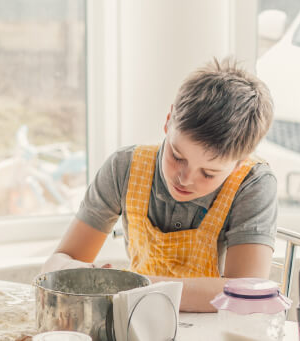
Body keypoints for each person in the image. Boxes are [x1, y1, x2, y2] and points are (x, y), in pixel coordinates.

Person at [42, 58, 277, 312]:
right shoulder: (125, 167)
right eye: (177, 156)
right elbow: (55, 264)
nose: (185, 179)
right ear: (168, 120)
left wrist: (130, 287)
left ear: (240, 162)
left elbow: (244, 294)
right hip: (138, 320)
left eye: (208, 174)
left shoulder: (253, 184)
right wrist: (75, 271)